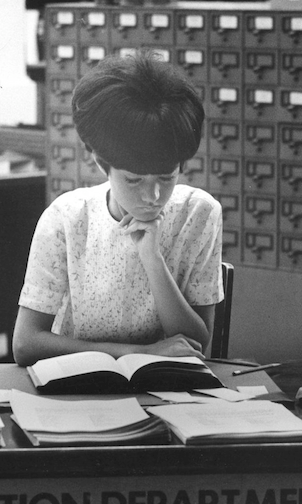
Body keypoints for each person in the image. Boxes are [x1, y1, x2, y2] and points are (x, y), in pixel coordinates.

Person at [12, 50, 223, 367]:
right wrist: (134, 353)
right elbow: (26, 343)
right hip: (81, 387)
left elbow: (197, 343)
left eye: (167, 177)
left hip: (168, 388)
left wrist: (152, 258)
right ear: (100, 162)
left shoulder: (199, 212)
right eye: (135, 180)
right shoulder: (68, 217)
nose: (153, 195)